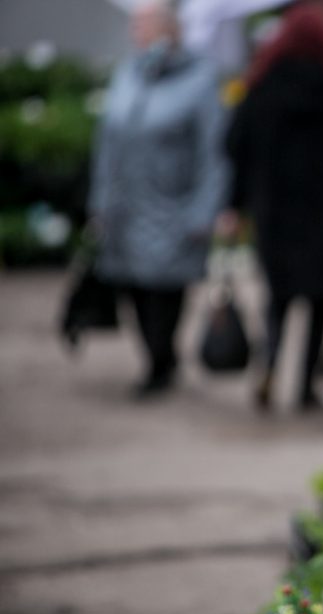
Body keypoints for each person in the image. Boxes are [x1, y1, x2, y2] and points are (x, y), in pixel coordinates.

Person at [225, 1, 323, 411]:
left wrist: (233, 205)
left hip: (273, 210)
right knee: (320, 298)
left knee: (277, 296)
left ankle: (270, 364)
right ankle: (305, 385)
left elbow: (236, 147)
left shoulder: (262, 88)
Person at [89, 0, 228, 397]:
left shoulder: (199, 79)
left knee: (164, 287)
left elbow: (212, 152)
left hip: (173, 205)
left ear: (168, 30)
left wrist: (206, 209)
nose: (137, 34)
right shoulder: (128, 74)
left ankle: (160, 362)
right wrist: (100, 201)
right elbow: (107, 144)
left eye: (144, 26)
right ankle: (157, 358)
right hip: (127, 205)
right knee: (132, 284)